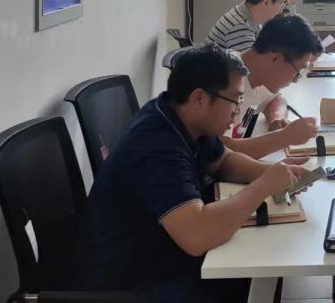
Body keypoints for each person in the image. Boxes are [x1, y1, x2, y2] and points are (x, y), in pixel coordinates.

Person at [87, 44, 309, 303]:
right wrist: (263, 186)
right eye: (235, 100)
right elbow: (197, 236)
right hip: (135, 280)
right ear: (199, 98)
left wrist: (272, 173)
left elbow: (223, 161)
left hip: (164, 252)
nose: (237, 111)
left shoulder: (185, 116)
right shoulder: (157, 145)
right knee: (258, 273)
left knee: (265, 265)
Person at [223, 14, 324, 160]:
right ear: (277, 59)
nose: (295, 81)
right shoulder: (224, 80)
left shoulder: (256, 75)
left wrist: (276, 118)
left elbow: (277, 99)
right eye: (298, 72)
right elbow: (221, 153)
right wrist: (285, 137)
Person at [208, 0, 288, 52]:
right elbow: (255, 60)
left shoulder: (249, 16)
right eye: (281, 3)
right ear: (266, 1)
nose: (281, 10)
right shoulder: (240, 27)